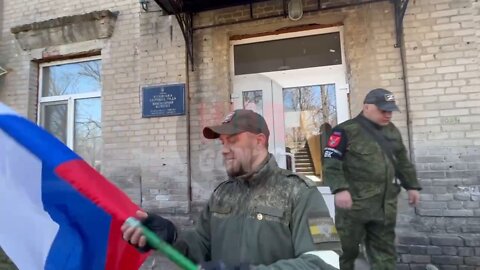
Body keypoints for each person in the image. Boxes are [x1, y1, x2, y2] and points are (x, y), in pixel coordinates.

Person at [122, 109, 339, 270]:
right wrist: (169, 237)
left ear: (259, 141)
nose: (224, 150)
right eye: (222, 143)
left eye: (232, 141)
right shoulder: (222, 195)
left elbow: (324, 262)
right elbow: (200, 247)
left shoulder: (300, 193)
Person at [322, 88, 422, 270]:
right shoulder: (345, 130)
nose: (388, 114)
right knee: (345, 251)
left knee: (384, 253)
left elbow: (402, 161)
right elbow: (331, 162)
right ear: (367, 107)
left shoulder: (391, 131)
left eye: (390, 110)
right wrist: (339, 189)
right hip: (354, 206)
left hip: (384, 205)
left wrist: (412, 186)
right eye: (383, 110)